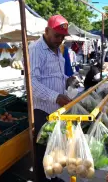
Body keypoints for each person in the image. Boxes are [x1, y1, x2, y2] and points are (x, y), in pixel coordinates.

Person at [29, 14, 75, 181]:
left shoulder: (58, 50)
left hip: (57, 110)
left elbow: (55, 75)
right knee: (43, 150)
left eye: (63, 37)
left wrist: (67, 79)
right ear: (46, 31)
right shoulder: (36, 49)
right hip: (42, 110)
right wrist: (56, 96)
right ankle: (43, 179)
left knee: (55, 147)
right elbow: (32, 83)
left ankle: (52, 177)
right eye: (57, 36)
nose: (60, 40)